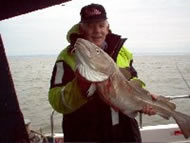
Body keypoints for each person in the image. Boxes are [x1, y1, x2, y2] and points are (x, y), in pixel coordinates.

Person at [48, 3, 156, 142]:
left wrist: (143, 98)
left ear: (107, 27)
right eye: (90, 25)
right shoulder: (66, 57)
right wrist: (80, 87)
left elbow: (132, 80)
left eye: (100, 25)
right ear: (81, 28)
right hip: (85, 134)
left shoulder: (124, 52)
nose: (97, 30)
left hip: (125, 132)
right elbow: (56, 101)